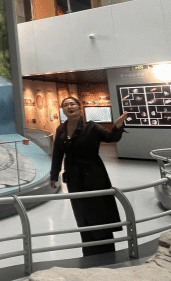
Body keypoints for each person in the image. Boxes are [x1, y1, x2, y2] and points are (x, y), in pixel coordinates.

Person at [50, 96, 127, 256]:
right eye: (65, 105)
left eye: (72, 104)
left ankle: (106, 251)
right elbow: (57, 153)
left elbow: (110, 137)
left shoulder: (92, 127)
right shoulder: (61, 129)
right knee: (82, 213)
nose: (69, 107)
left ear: (79, 108)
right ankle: (89, 251)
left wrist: (118, 127)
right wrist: (54, 175)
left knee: (99, 211)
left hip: (94, 175)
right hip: (73, 178)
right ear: (63, 110)